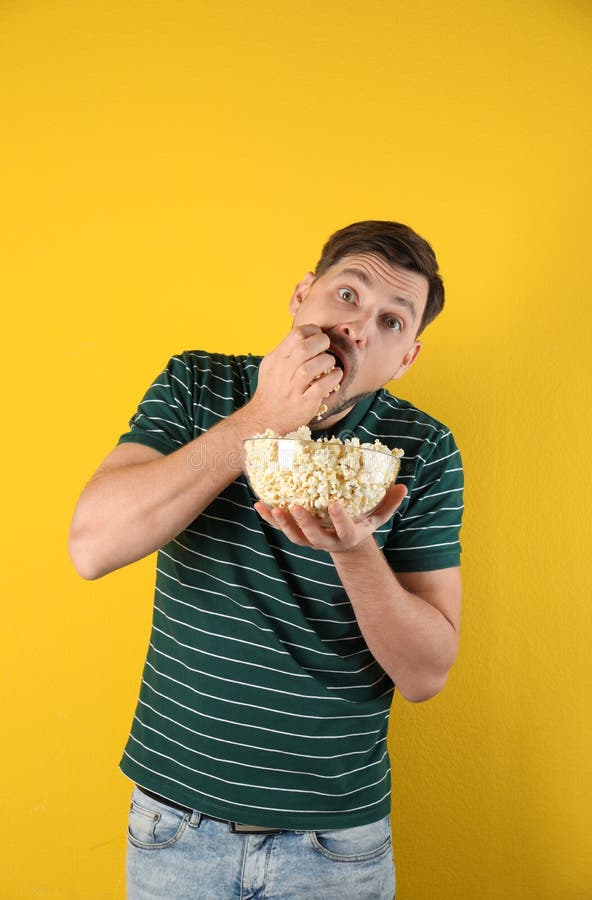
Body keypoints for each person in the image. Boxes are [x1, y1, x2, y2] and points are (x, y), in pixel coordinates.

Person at [69, 220, 464, 899]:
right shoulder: (198, 384)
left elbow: (427, 673)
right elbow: (92, 546)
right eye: (347, 294)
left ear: (407, 358)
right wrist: (259, 419)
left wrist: (354, 549)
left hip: (336, 847)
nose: (359, 327)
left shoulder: (422, 449)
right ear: (301, 296)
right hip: (175, 827)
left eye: (391, 321)